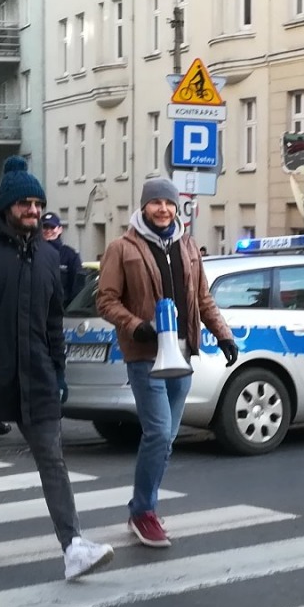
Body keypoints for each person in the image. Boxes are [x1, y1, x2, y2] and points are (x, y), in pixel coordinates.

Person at [0, 156, 114, 581]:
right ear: (7, 206)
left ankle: (73, 547)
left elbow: (52, 322)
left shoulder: (47, 257)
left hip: (37, 376)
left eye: (37, 203)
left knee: (52, 458)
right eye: (24, 203)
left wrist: (59, 370)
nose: (32, 210)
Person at [96, 177, 238, 548]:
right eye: (156, 203)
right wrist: (136, 326)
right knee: (158, 433)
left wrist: (223, 335)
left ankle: (143, 508)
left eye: (169, 203)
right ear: (144, 207)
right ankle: (143, 511)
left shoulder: (188, 245)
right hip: (146, 355)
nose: (163, 209)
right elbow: (106, 300)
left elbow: (203, 298)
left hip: (183, 354)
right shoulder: (121, 248)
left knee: (167, 438)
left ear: (177, 208)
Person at [41, 211, 84, 306]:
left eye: (52, 227)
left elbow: (77, 287)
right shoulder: (32, 252)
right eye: (45, 227)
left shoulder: (70, 255)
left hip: (62, 310)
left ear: (60, 229)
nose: (48, 230)